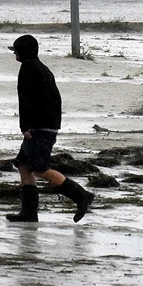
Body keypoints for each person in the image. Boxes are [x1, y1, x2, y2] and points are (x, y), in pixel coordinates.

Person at [5, 34, 94, 223]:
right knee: (23, 164)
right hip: (47, 125)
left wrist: (26, 127)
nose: (15, 55)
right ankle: (29, 212)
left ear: (23, 51)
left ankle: (81, 196)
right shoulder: (42, 68)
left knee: (39, 168)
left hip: (39, 127)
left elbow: (27, 101)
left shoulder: (28, 69)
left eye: (16, 51)